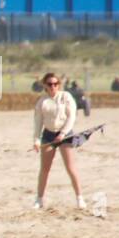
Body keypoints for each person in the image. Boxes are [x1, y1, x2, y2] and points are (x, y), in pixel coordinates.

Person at [32, 73, 84, 209]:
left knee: (70, 167)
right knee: (44, 169)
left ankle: (80, 198)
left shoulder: (66, 97)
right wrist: (36, 140)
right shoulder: (42, 101)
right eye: (50, 84)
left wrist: (63, 133)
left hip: (65, 135)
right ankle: (39, 199)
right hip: (48, 135)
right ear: (45, 85)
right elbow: (38, 122)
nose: (53, 86)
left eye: (56, 84)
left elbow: (71, 117)